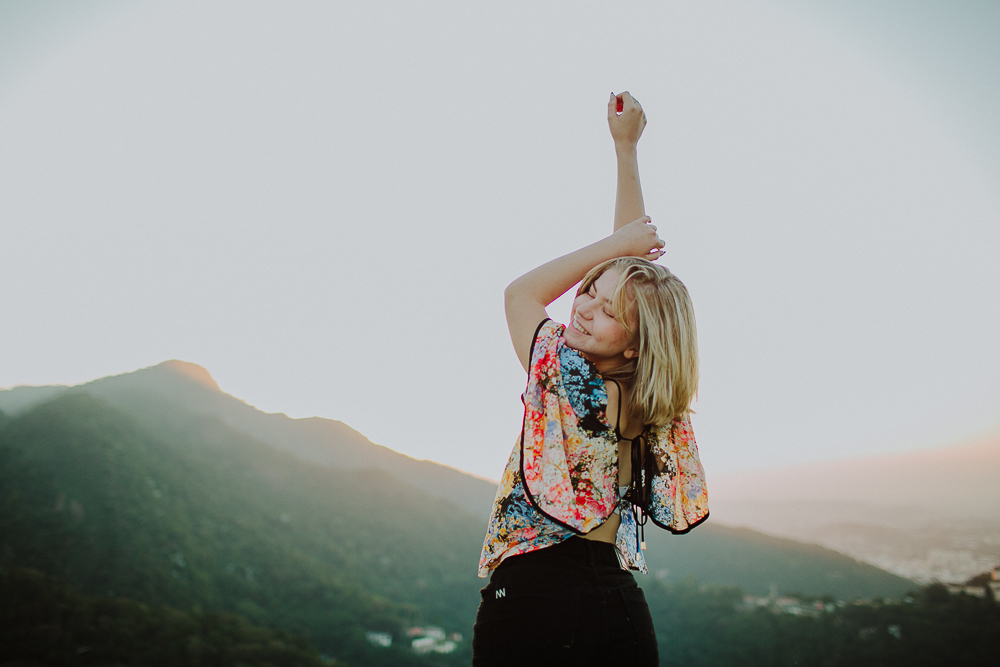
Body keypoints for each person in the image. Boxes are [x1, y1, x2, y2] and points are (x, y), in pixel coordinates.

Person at [472, 92, 709, 666]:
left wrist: (614, 248)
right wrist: (626, 150)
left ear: (631, 341)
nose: (582, 308)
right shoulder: (650, 398)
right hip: (620, 606)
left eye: (605, 311)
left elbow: (520, 294)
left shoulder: (571, 382)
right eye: (589, 293)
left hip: (538, 601)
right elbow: (634, 274)